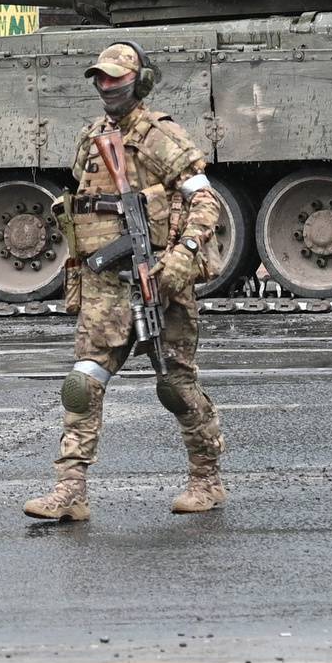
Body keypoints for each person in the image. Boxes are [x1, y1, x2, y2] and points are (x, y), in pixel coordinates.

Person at [24, 43, 227, 523]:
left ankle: (207, 479)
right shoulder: (91, 137)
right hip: (105, 283)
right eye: (100, 77)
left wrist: (183, 257)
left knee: (175, 385)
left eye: (116, 77)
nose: (106, 85)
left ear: (141, 80)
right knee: (82, 382)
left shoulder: (161, 137)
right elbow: (81, 201)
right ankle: (70, 490)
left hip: (157, 276)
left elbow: (206, 204)